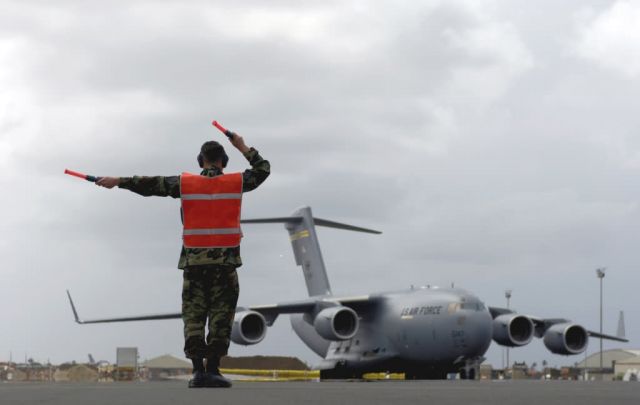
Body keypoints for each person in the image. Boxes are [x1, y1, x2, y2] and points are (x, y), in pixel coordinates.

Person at [96, 133, 270, 388]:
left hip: (194, 265)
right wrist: (242, 145)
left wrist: (118, 181)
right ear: (224, 161)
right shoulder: (237, 182)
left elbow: (149, 184)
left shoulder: (185, 184)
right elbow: (263, 169)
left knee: (194, 317)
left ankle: (198, 372)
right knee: (221, 317)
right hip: (225, 265)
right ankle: (214, 370)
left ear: (201, 161)